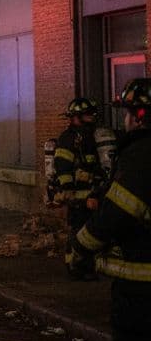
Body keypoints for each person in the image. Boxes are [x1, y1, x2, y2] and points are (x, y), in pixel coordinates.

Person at [69, 78, 151, 341]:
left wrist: (82, 246)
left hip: (142, 278)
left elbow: (119, 211)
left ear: (139, 116)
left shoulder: (142, 153)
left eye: (130, 114)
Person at [55, 98, 107, 260]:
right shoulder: (68, 138)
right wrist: (68, 190)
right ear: (76, 116)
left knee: (94, 231)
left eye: (92, 113)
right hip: (77, 196)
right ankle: (75, 264)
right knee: (78, 230)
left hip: (95, 194)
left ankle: (90, 263)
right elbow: (62, 166)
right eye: (87, 114)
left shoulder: (94, 136)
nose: (92, 117)